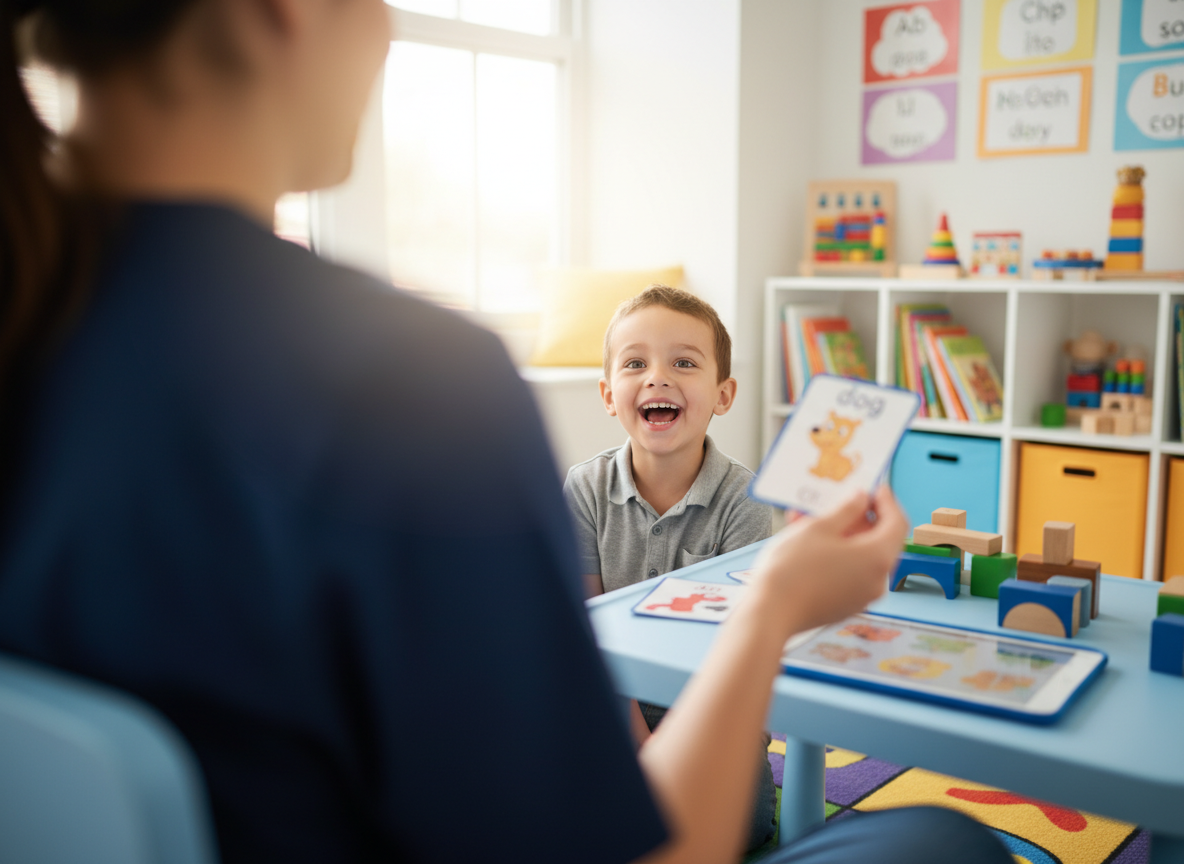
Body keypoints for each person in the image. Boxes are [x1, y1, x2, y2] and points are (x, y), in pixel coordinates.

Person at [0, 2, 1015, 863]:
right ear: (287, 13)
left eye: (683, 365)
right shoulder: (403, 380)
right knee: (946, 840)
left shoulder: (43, 316)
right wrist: (775, 604)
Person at [564, 285, 778, 851]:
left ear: (723, 394)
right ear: (611, 395)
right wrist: (638, 744)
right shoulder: (584, 488)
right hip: (611, 696)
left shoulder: (747, 499)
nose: (657, 377)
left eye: (684, 362)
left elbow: (741, 651)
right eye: (636, 363)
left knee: (746, 828)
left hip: (711, 703)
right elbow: (588, 633)